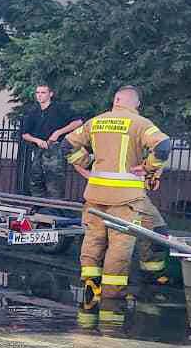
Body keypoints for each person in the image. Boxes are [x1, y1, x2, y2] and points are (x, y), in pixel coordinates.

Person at [63, 85, 172, 323]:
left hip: (95, 195)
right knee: (119, 247)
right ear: (136, 104)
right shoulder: (139, 122)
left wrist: (88, 164)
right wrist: (148, 167)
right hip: (125, 198)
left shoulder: (96, 122)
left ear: (116, 100)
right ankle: (113, 300)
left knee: (93, 241)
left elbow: (67, 145)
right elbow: (163, 145)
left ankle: (90, 286)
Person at [19, 83, 78, 197]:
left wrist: (58, 132)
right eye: (38, 93)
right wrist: (37, 140)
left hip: (55, 149)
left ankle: (53, 210)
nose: (39, 95)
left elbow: (78, 122)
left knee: (54, 183)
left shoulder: (59, 109)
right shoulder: (33, 112)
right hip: (38, 150)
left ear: (50, 94)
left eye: (43, 92)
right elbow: (25, 134)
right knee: (35, 181)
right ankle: (39, 208)